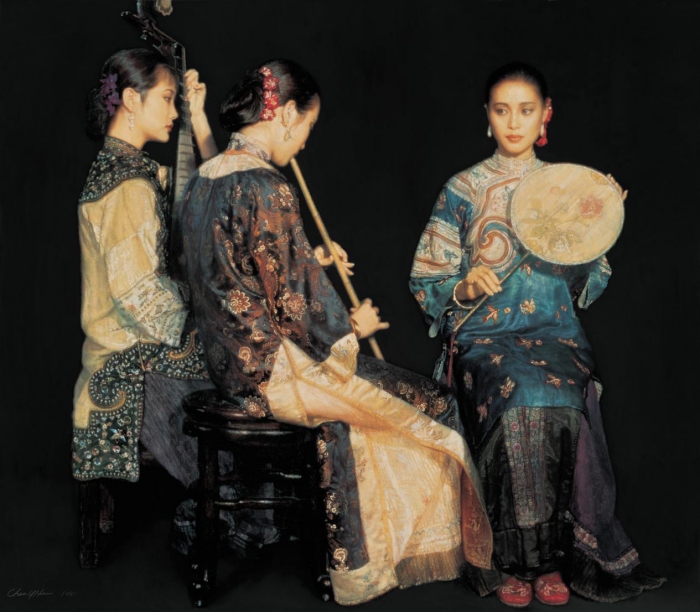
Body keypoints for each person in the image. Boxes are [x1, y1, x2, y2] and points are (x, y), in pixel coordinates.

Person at [177, 59, 493, 606]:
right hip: (277, 374)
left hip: (231, 367)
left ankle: (367, 554)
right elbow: (301, 313)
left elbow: (239, 272)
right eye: (306, 127)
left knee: (378, 405)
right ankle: (403, 562)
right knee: (436, 405)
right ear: (286, 114)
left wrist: (313, 258)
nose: (302, 142)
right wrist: (352, 326)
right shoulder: (266, 186)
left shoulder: (206, 178)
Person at [409, 62, 665, 607]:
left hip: (554, 335)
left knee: (555, 391)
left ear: (546, 115)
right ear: (486, 116)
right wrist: (463, 287)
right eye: (501, 110)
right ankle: (512, 560)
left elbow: (582, 283)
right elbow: (427, 277)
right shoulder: (462, 189)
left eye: (526, 110)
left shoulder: (566, 190)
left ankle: (552, 559)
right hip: (485, 339)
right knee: (520, 391)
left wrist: (599, 218)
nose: (513, 122)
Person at [72, 48, 218, 487]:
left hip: (140, 345)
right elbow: (142, 300)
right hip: (128, 359)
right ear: (132, 100)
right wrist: (205, 314)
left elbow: (213, 191)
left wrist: (199, 119)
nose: (175, 112)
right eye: (168, 99)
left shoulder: (131, 169)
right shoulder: (127, 184)